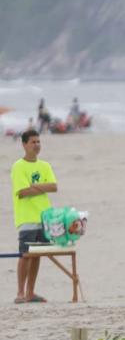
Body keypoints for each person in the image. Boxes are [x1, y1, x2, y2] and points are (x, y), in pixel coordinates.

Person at [11, 130, 57, 303]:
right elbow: (22, 192)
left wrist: (34, 186)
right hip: (26, 217)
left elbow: (54, 187)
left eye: (38, 142)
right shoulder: (19, 166)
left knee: (38, 254)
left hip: (44, 217)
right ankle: (20, 292)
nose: (37, 145)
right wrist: (42, 187)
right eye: (33, 142)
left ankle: (30, 292)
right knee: (25, 255)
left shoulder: (45, 165)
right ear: (24, 144)